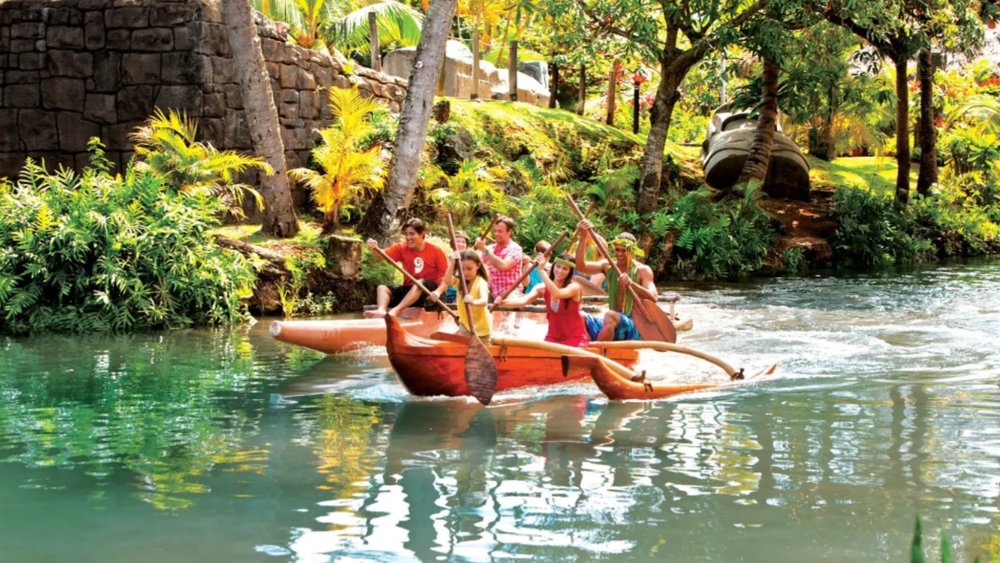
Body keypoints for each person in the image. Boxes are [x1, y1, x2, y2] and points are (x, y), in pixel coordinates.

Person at [574, 221, 657, 341]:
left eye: (624, 251)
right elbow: (580, 267)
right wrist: (583, 237)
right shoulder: (607, 266)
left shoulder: (643, 270)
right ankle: (588, 350)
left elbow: (653, 298)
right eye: (617, 250)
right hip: (612, 320)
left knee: (610, 315)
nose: (619, 254)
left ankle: (600, 350)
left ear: (632, 251)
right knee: (579, 317)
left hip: (634, 324)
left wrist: (632, 284)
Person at [495, 252, 588, 347]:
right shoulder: (541, 288)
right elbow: (523, 301)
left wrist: (541, 270)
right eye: (558, 266)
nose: (560, 270)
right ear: (553, 267)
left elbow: (557, 293)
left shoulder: (574, 288)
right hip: (553, 337)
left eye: (565, 269)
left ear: (570, 272)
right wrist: (503, 302)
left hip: (574, 338)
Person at [364, 218, 449, 318]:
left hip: (432, 293)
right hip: (411, 291)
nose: (408, 237)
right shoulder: (402, 248)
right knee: (382, 288)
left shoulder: (436, 251)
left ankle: (396, 311)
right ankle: (381, 310)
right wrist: (375, 248)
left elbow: (446, 280)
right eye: (406, 234)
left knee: (420, 283)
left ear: (422, 234)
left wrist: (438, 292)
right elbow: (381, 256)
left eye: (412, 234)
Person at [442, 249, 492, 339]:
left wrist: (473, 301)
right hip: (465, 324)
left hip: (482, 329)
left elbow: (484, 301)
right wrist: (452, 263)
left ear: (478, 266)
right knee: (464, 350)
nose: (465, 273)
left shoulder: (480, 282)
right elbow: (447, 280)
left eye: (469, 269)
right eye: (462, 269)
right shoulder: (460, 280)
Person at [474, 215, 522, 299]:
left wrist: (483, 249)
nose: (496, 234)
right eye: (495, 231)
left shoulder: (515, 248)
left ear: (509, 232)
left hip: (510, 294)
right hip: (490, 294)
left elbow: (503, 266)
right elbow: (477, 268)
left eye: (500, 231)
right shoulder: (489, 249)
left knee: (512, 300)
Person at [442, 230, 469, 304]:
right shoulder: (446, 258)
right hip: (446, 293)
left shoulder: (470, 259)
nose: (460, 244)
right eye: (458, 241)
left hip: (462, 294)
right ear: (452, 244)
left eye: (463, 242)